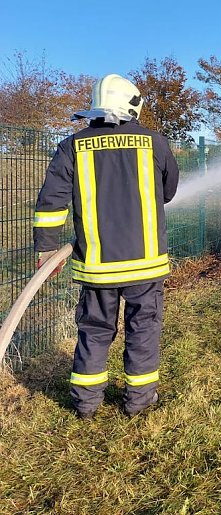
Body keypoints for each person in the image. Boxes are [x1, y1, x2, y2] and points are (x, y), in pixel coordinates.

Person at [33, 74, 179, 419]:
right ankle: (139, 402)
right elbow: (169, 191)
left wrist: (46, 249)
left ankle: (85, 405)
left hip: (97, 266)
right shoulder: (154, 143)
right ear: (131, 104)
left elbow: (50, 203)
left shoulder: (72, 146)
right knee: (143, 329)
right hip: (146, 264)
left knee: (95, 331)